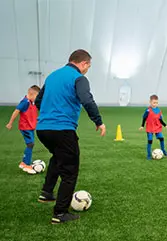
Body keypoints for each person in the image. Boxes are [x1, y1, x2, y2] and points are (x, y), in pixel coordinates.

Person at [35, 49, 106, 224]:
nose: (87, 69)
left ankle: (46, 192)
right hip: (62, 130)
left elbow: (38, 101)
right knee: (70, 172)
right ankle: (60, 213)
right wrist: (98, 121)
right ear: (84, 64)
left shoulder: (52, 76)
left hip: (43, 128)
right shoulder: (79, 78)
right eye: (88, 66)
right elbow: (87, 99)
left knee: (58, 157)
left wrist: (49, 114)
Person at [6, 85, 40, 174]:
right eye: (37, 96)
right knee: (30, 144)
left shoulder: (32, 102)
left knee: (31, 144)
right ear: (31, 94)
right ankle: (27, 165)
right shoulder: (25, 102)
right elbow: (16, 111)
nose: (37, 99)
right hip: (25, 128)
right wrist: (10, 123)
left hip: (31, 128)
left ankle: (23, 162)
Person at [139, 94, 167, 160]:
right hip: (150, 128)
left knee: (161, 138)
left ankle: (163, 150)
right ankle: (149, 155)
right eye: (154, 103)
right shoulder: (148, 110)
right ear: (150, 102)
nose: (155, 104)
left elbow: (160, 119)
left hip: (157, 127)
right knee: (150, 141)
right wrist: (142, 125)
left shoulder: (159, 110)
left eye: (156, 103)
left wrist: (165, 125)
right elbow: (144, 118)